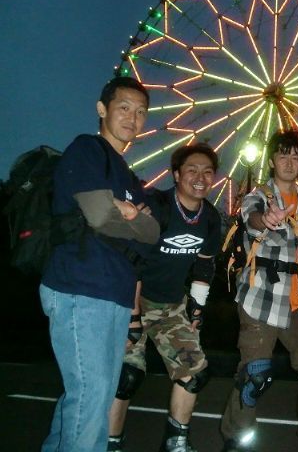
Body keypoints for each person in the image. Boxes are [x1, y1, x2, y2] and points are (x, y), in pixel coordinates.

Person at [39, 76, 160, 451]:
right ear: (101, 109)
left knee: (96, 395)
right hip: (80, 287)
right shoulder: (87, 150)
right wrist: (126, 216)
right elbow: (98, 214)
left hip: (115, 295)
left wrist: (126, 214)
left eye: (141, 112)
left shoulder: (129, 177)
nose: (132, 118)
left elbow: (151, 234)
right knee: (91, 396)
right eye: (124, 107)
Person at [107, 143, 222, 451]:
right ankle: (110, 443)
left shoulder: (210, 218)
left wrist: (196, 310)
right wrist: (132, 317)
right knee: (127, 375)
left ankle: (175, 442)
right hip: (130, 297)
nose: (200, 178)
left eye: (207, 172)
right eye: (191, 170)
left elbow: (204, 267)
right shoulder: (157, 207)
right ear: (176, 175)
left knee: (194, 373)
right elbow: (132, 262)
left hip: (169, 306)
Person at [219, 130, 298, 452]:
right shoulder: (258, 196)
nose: (290, 162)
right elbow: (251, 217)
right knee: (254, 375)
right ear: (271, 161)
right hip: (261, 297)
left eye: (296, 157)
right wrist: (265, 219)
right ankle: (236, 439)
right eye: (283, 155)